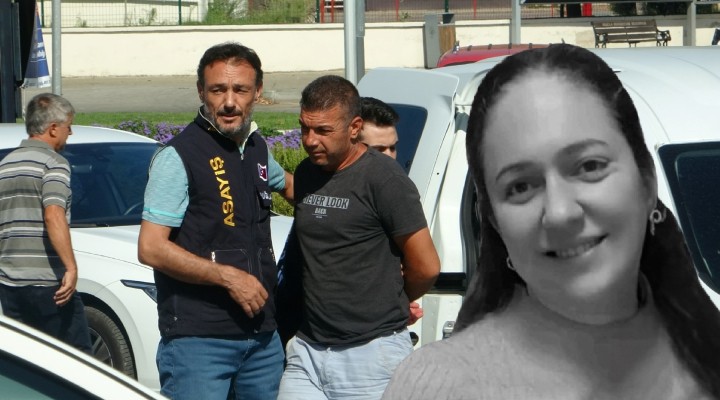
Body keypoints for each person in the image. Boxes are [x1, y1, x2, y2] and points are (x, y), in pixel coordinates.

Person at [383, 44, 720, 399]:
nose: (560, 213)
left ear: (646, 183)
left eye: (589, 166)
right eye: (520, 186)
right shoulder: (437, 383)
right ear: (494, 221)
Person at [137, 42, 293, 400]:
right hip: (199, 341)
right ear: (200, 91)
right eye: (218, 90)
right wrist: (228, 277)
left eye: (241, 90)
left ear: (258, 92)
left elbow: (293, 188)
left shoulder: (256, 149)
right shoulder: (178, 156)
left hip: (262, 338)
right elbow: (151, 248)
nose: (229, 102)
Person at [276, 75, 440, 400]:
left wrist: (391, 300)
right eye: (304, 128)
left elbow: (426, 266)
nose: (310, 140)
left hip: (371, 355)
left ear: (354, 128)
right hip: (308, 351)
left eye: (323, 130)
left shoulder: (385, 180)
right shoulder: (308, 172)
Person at [0, 93, 92, 353]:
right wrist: (71, 267)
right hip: (49, 285)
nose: (70, 133)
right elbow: (53, 214)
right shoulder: (54, 163)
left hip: (10, 285)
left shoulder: (4, 166)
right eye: (68, 126)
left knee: (28, 362)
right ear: (53, 128)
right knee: (76, 359)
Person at [358, 96, 422, 325]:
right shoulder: (330, 187)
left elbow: (424, 265)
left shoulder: (397, 190)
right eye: (378, 150)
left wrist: (399, 301)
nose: (389, 157)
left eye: (393, 147)